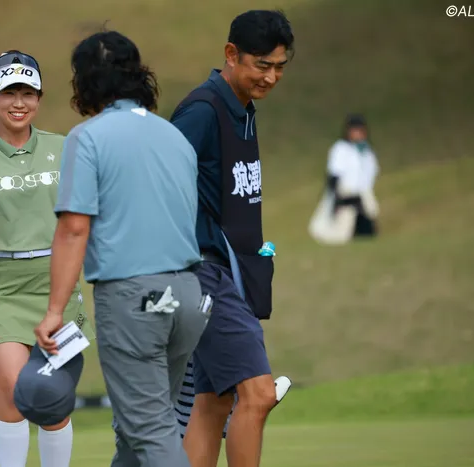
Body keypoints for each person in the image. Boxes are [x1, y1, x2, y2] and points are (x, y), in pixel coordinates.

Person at [34, 30, 210, 467]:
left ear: (85, 81)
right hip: (188, 296)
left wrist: (55, 311)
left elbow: (74, 229)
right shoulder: (174, 137)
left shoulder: (87, 137)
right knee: (140, 429)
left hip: (135, 300)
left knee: (149, 430)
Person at [0, 49, 91, 467]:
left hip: (57, 286)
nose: (18, 103)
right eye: (8, 93)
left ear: (39, 98)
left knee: (53, 398)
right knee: (14, 387)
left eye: (27, 93)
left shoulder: (63, 147)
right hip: (1, 287)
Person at [168, 10, 295, 467]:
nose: (271, 77)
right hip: (203, 272)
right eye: (262, 65)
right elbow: (159, 180)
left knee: (213, 403)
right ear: (231, 54)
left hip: (228, 275)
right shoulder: (203, 111)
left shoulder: (242, 109)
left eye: (279, 67)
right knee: (258, 395)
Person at [308, 113, 380, 244]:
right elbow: (334, 175)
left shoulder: (367, 152)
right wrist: (336, 199)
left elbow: (371, 175)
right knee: (341, 230)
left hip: (363, 195)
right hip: (345, 195)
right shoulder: (341, 149)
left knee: (368, 226)